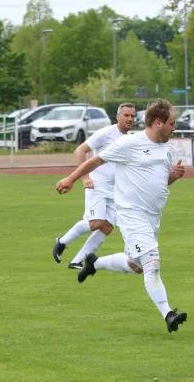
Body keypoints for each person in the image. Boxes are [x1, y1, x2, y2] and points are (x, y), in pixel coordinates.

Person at [55, 99, 187, 333]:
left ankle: (95, 263)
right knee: (151, 264)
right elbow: (95, 160)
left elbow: (160, 181)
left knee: (135, 265)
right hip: (131, 215)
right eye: (171, 123)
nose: (174, 128)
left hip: (152, 218)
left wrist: (173, 176)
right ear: (158, 123)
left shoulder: (166, 148)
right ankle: (168, 314)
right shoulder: (130, 143)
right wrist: (71, 179)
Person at [52, 103, 135, 269]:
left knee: (107, 226)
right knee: (96, 222)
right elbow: (80, 150)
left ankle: (77, 260)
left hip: (115, 189)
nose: (130, 119)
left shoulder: (131, 138)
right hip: (97, 183)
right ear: (118, 116)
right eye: (126, 115)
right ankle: (61, 242)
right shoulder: (106, 133)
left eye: (132, 116)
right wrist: (85, 177)